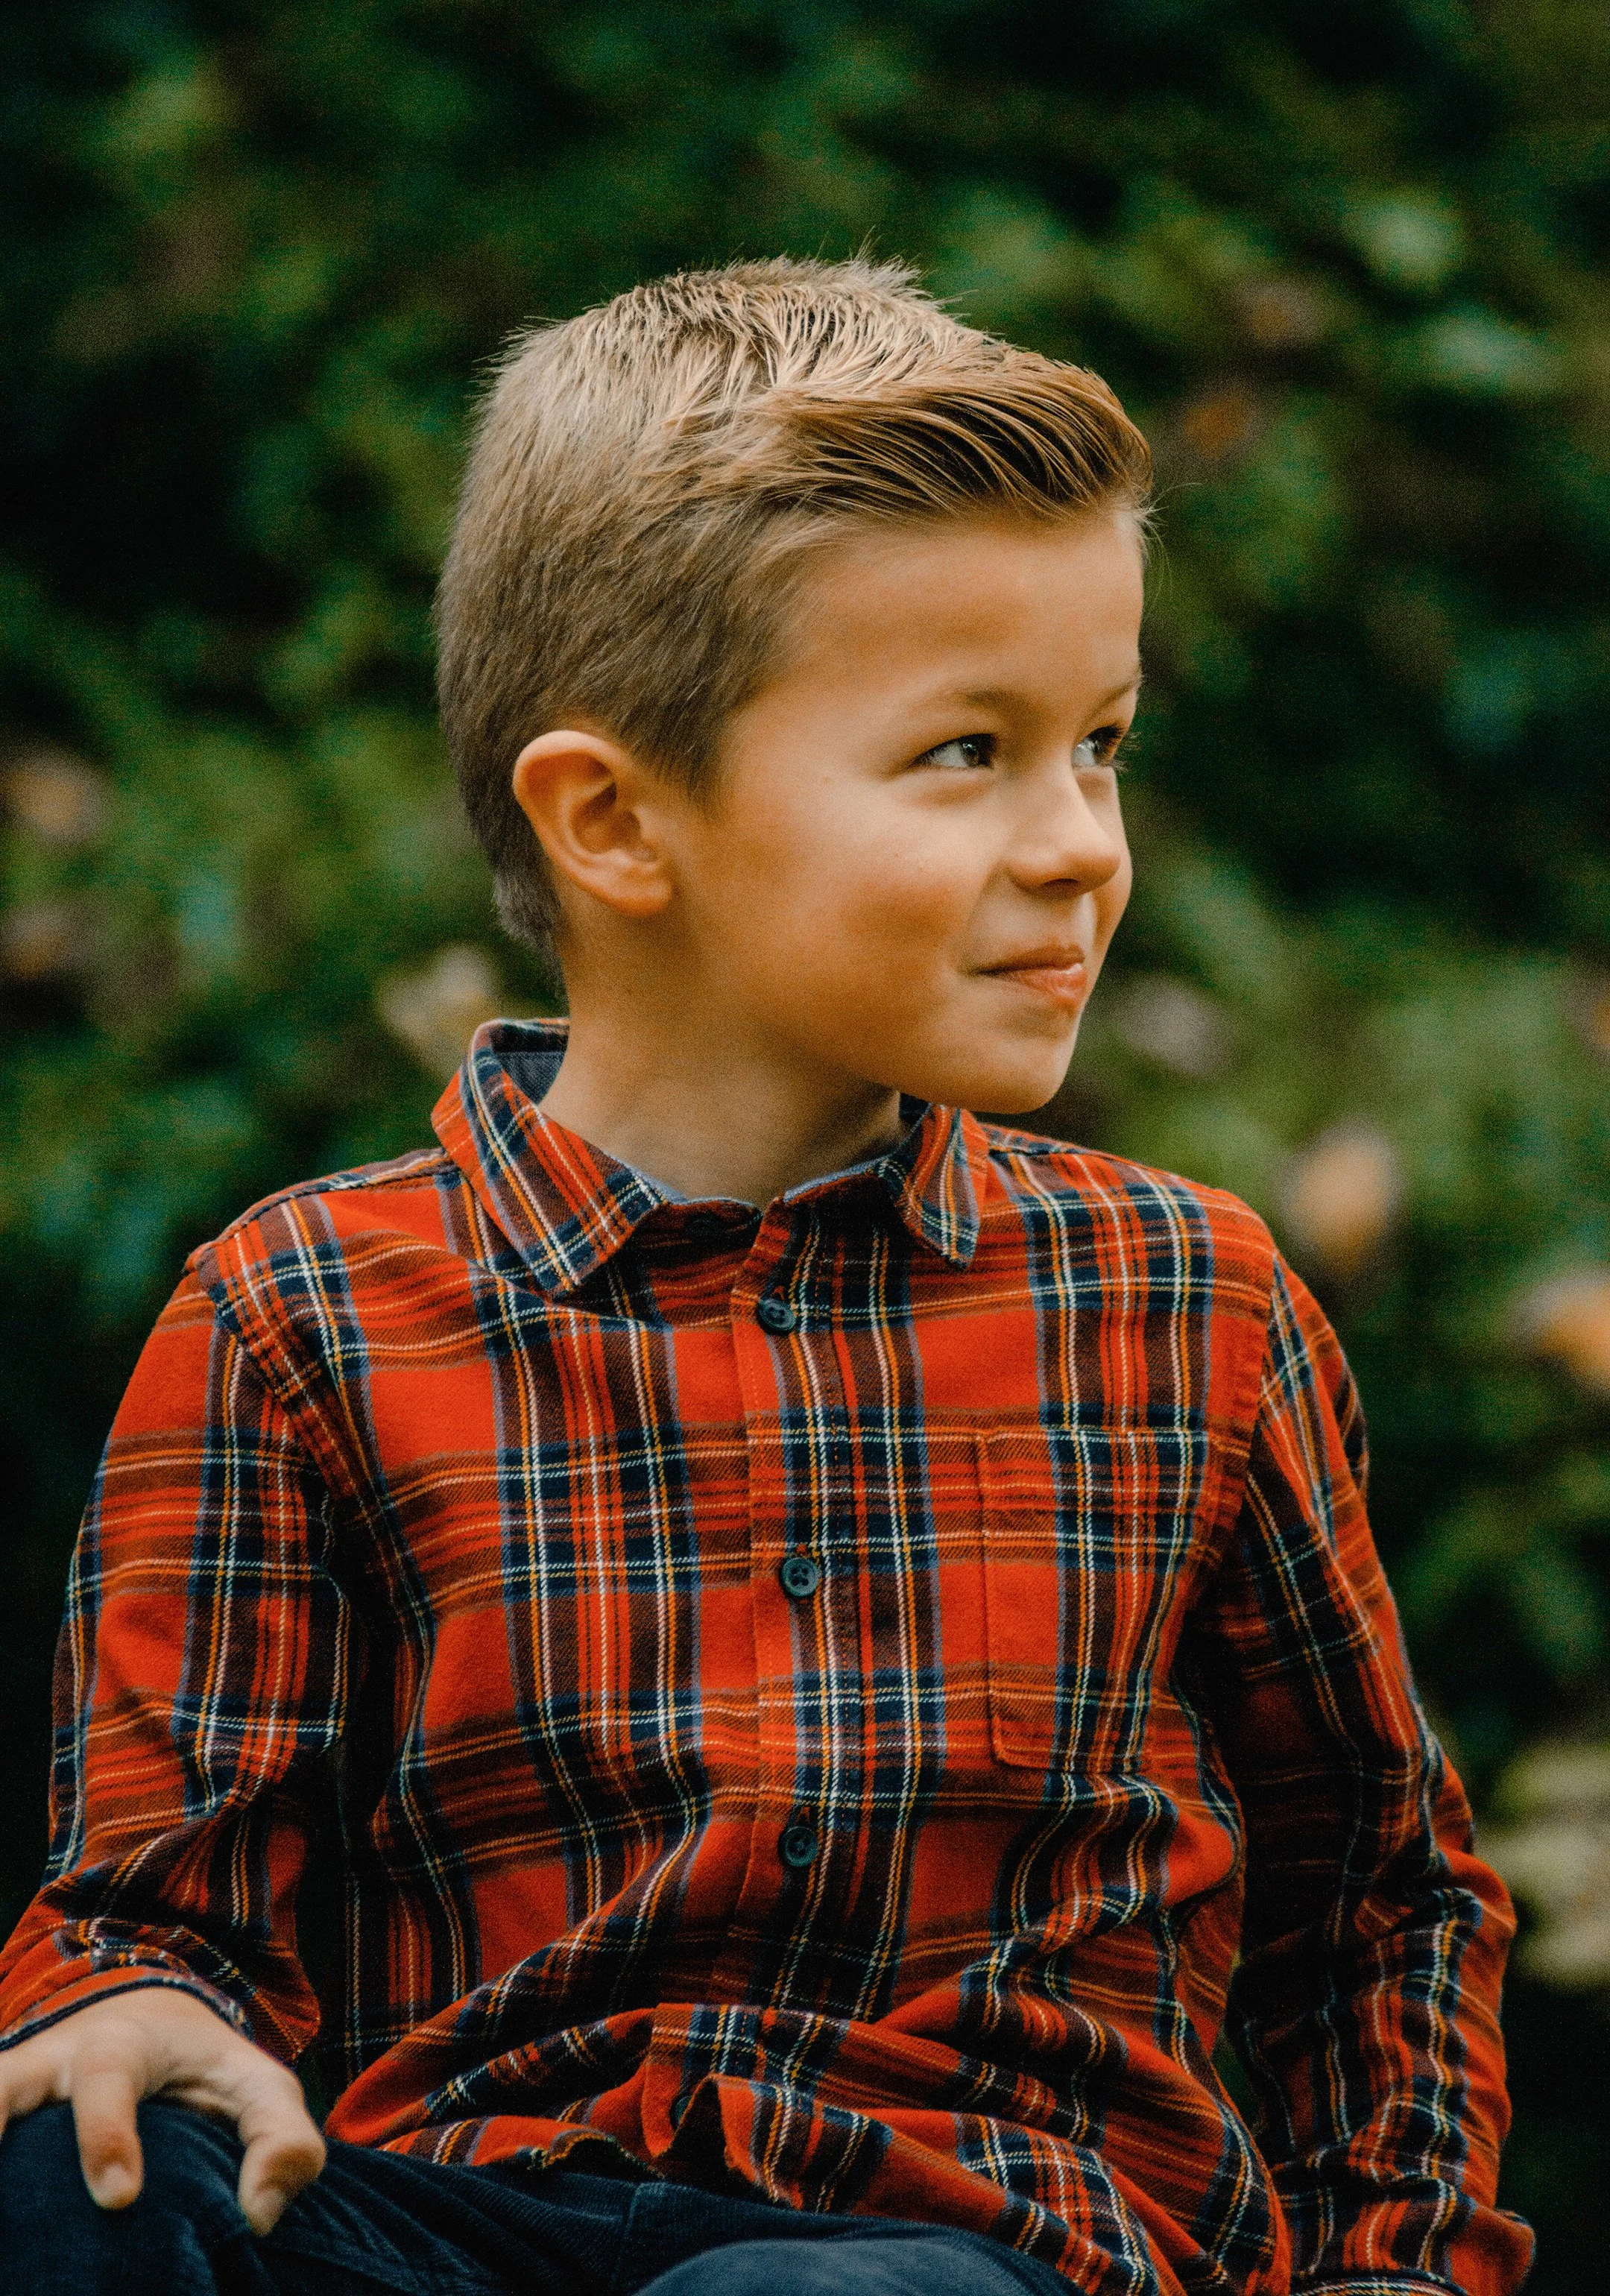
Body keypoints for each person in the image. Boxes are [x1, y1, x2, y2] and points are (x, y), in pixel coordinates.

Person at [0, 259, 1531, 2296]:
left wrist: (1397, 2271)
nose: (1082, 840)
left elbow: (1382, 1906)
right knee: (68, 2180)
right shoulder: (301, 1319)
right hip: (454, 2220)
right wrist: (117, 2008)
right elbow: (155, 1898)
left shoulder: (1194, 1309)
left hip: (956, 2247)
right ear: (619, 820)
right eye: (967, 753)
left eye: (1102, 745)